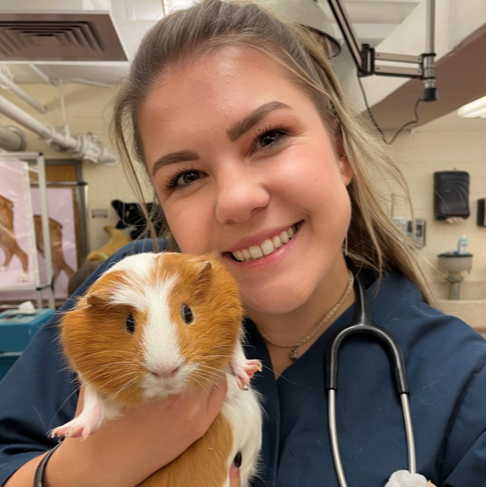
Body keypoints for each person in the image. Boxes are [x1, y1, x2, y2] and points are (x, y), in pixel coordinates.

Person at [0, 1, 485, 486]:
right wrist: (89, 469)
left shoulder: (465, 383)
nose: (236, 201)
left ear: (341, 151)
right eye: (186, 176)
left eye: (269, 138)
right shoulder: (129, 287)